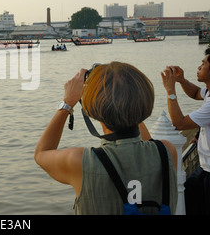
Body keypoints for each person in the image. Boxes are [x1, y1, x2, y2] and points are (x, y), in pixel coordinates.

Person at [34, 61, 178, 215]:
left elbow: (41, 153)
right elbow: (146, 144)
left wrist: (68, 102)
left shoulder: (80, 162)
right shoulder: (167, 151)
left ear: (91, 108)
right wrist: (127, 97)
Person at [161, 48, 210, 214]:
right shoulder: (208, 93)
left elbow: (179, 123)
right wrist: (181, 80)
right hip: (205, 166)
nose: (199, 67)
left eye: (203, 64)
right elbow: (196, 92)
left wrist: (170, 90)